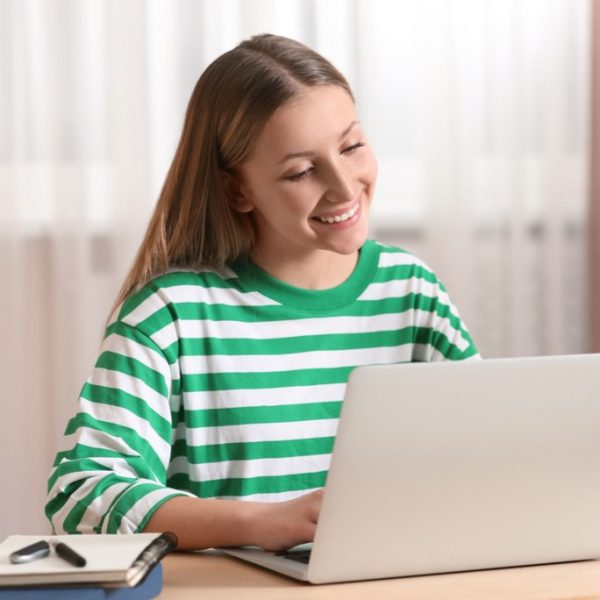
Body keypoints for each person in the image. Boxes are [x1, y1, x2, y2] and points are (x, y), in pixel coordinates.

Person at [45, 33, 479, 551]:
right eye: (301, 170)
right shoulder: (172, 316)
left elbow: (490, 449)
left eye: (352, 146)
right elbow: (80, 496)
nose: (344, 187)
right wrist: (257, 524)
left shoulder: (412, 292)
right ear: (238, 190)